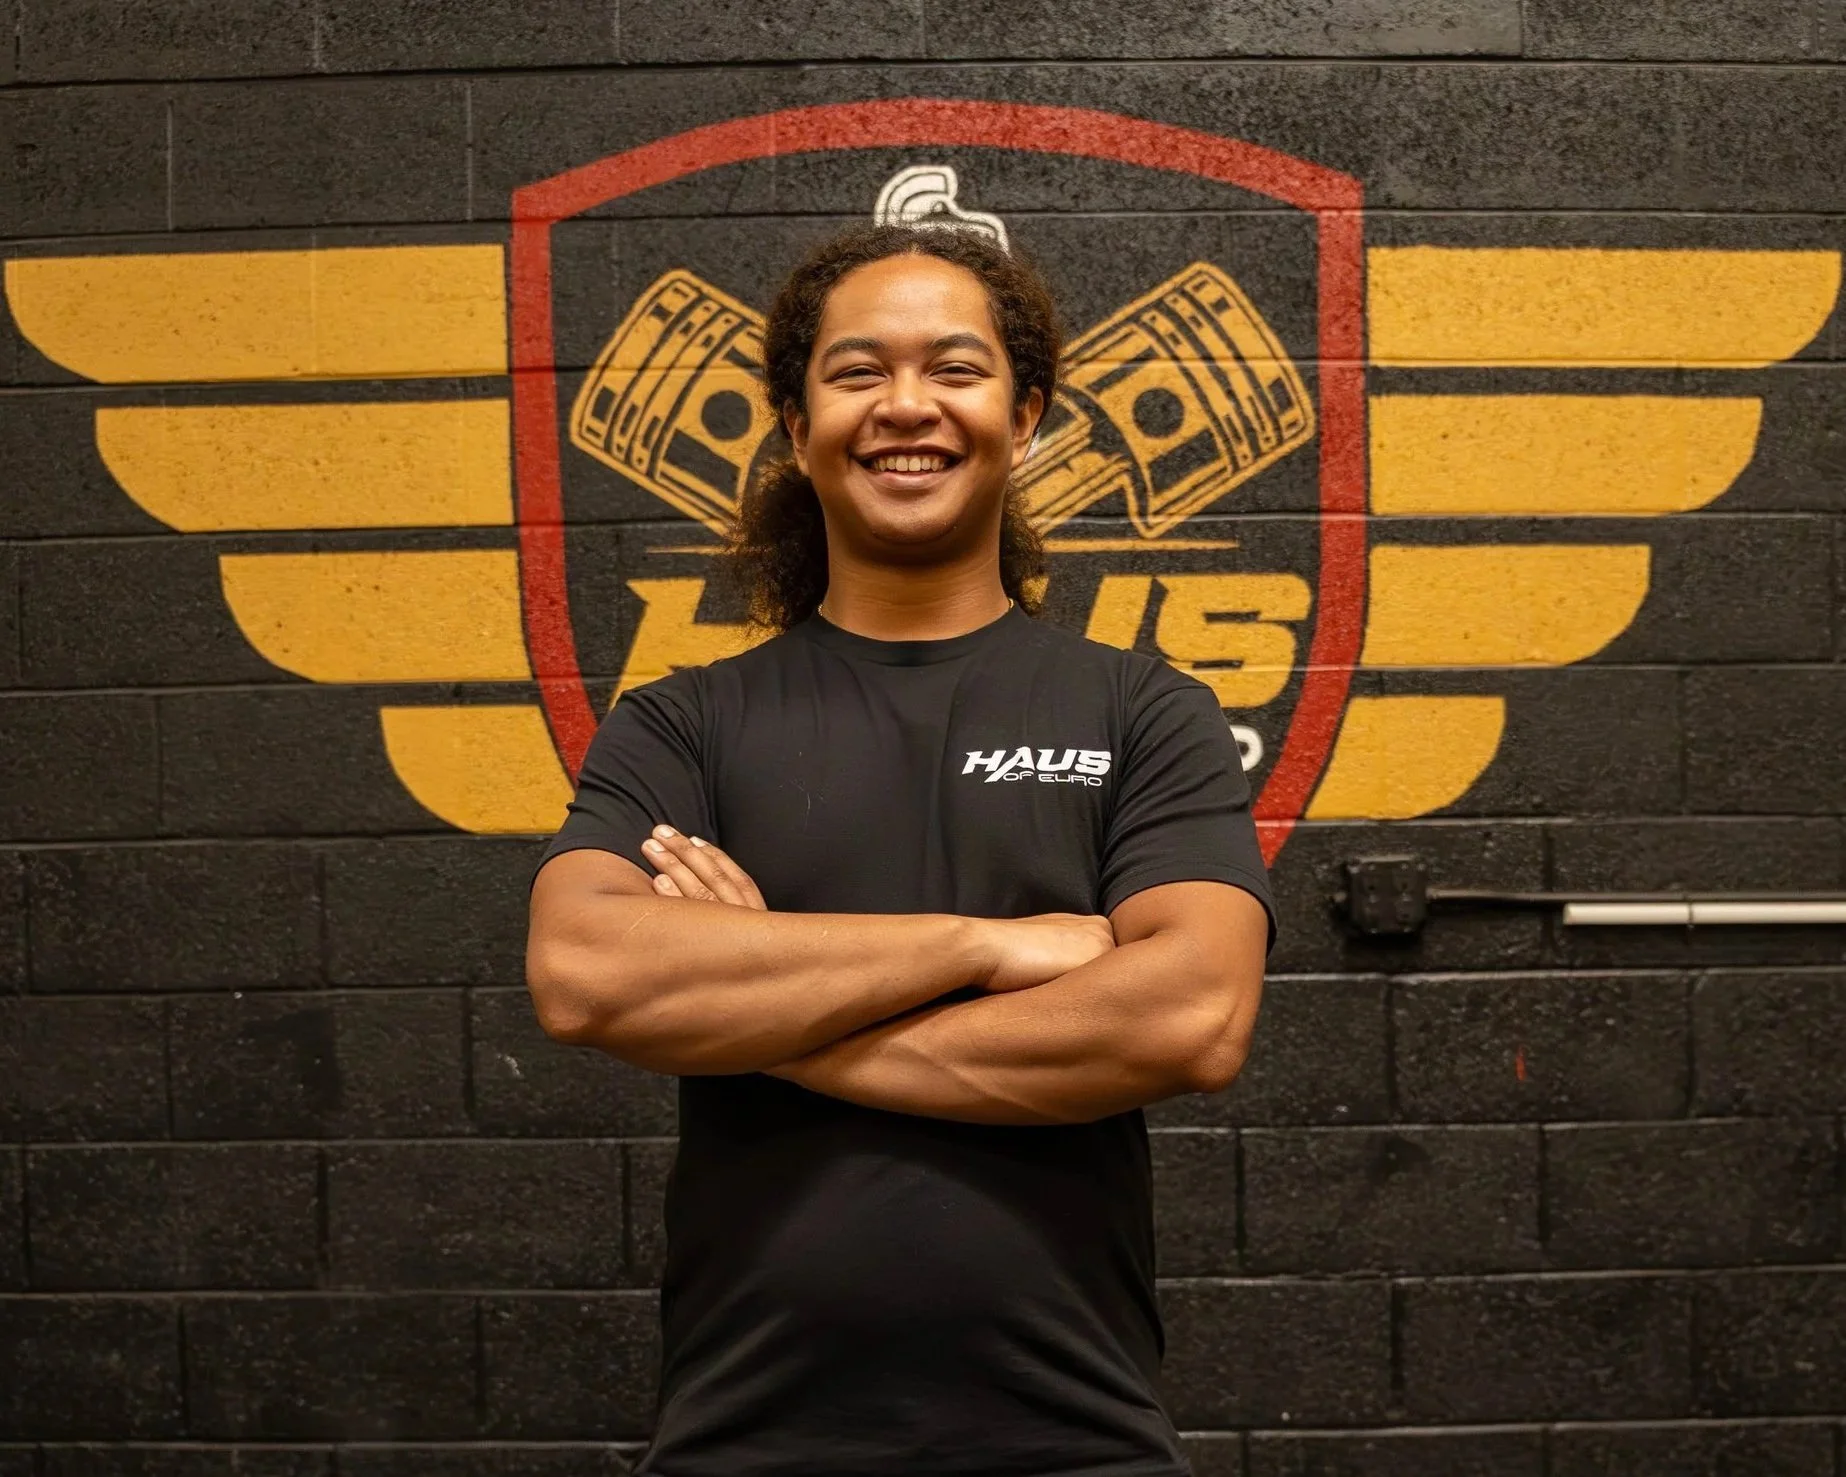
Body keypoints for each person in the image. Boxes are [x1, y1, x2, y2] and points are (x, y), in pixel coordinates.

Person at [525, 222, 1276, 1477]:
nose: (907, 406)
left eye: (956, 369)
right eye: (858, 371)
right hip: (745, 1434)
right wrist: (981, 945)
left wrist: (761, 992)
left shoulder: (1142, 710)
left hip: (1073, 1436)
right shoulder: (687, 721)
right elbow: (584, 973)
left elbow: (1188, 1017)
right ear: (792, 420)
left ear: (1026, 414)